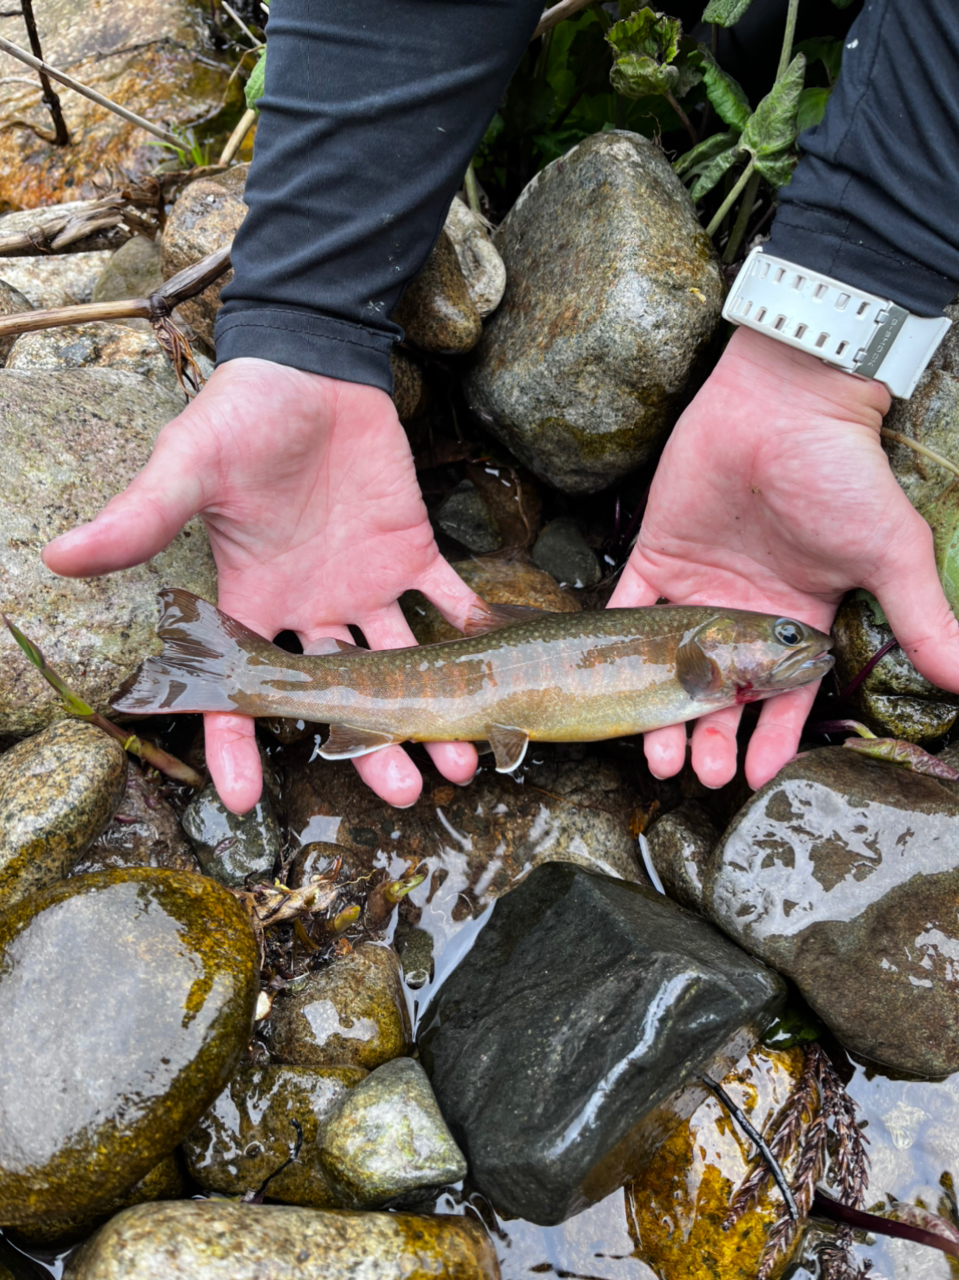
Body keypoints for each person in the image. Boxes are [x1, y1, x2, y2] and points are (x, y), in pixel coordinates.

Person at [42, 0, 959, 813]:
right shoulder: (694, 663)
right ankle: (243, 675)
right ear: (720, 648)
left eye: (788, 640)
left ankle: (249, 677)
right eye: (783, 638)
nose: (800, 645)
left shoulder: (700, 665)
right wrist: (300, 319)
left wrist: (820, 352)